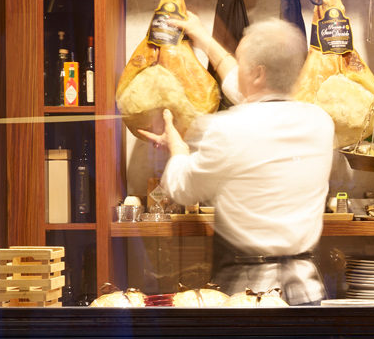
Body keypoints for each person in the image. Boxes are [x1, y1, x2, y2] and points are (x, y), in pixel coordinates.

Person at [139, 16, 334, 305]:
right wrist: (202, 38)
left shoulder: (227, 128)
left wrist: (177, 149)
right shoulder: (320, 122)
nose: (237, 70)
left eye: (241, 63)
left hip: (249, 296)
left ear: (257, 74)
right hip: (306, 293)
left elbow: (183, 188)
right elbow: (256, 98)